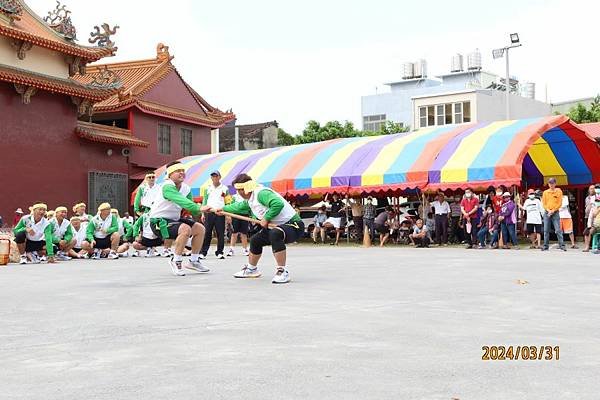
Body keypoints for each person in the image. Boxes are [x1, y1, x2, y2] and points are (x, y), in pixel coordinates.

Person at [211, 173, 304, 284]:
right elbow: (239, 207)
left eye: (239, 189)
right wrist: (222, 209)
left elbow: (277, 204)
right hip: (275, 227)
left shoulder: (261, 193)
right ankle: (251, 269)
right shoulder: (250, 199)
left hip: (293, 225)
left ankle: (282, 271)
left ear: (245, 188)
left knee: (275, 233)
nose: (238, 193)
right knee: (256, 240)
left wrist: (266, 218)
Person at [148, 161, 208, 276]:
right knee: (185, 229)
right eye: (177, 171)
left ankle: (194, 261)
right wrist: (199, 207)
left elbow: (192, 208)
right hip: (158, 222)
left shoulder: (186, 188)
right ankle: (176, 260)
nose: (181, 173)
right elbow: (183, 202)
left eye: (183, 171)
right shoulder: (167, 186)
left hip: (174, 220)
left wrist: (208, 211)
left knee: (200, 229)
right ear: (169, 174)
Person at [200, 171, 231, 259]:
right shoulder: (207, 188)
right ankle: (203, 252)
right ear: (211, 178)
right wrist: (202, 213)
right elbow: (204, 201)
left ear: (219, 177)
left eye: (216, 176)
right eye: (213, 176)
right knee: (207, 233)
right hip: (209, 212)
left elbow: (228, 202)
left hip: (220, 212)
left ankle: (219, 252)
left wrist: (228, 214)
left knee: (220, 233)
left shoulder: (225, 188)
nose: (215, 178)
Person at [541, 177, 566, 251]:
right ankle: (545, 246)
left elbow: (560, 203)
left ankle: (562, 245)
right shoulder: (545, 192)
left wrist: (553, 210)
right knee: (546, 230)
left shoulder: (559, 191)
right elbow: (544, 203)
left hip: (555, 212)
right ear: (548, 184)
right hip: (547, 212)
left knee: (558, 229)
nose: (551, 185)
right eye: (550, 183)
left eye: (552, 183)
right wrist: (548, 210)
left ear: (555, 183)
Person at [226, 192, 250, 257]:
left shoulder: (247, 196)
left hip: (245, 215)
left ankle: (245, 249)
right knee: (234, 233)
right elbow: (231, 206)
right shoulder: (234, 197)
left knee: (244, 233)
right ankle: (231, 249)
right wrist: (229, 216)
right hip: (235, 215)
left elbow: (249, 207)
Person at [583, 184, 598, 252]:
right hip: (588, 217)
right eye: (590, 188)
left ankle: (593, 245)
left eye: (593, 188)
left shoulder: (597, 197)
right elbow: (588, 207)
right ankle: (587, 247)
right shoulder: (587, 198)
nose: (592, 190)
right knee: (587, 231)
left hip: (597, 218)